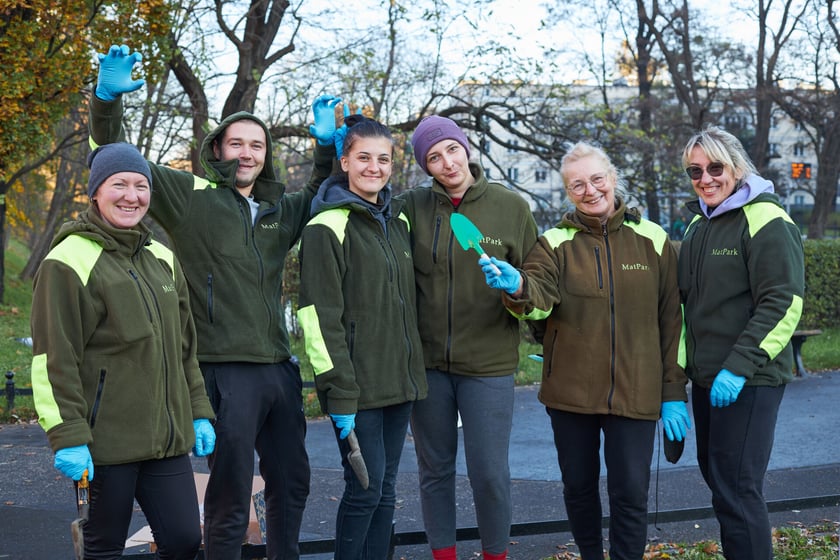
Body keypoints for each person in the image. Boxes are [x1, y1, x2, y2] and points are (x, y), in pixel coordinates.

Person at [88, 45, 337, 559]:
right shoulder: (191, 196)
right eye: (237, 144)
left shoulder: (277, 212)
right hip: (224, 370)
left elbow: (317, 190)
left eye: (258, 146)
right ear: (218, 149)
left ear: (266, 155)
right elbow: (116, 161)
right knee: (229, 495)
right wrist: (107, 101)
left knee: (292, 484)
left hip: (278, 369)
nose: (247, 153)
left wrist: (324, 149)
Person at [481, 141, 690, 560]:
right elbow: (539, 294)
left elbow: (673, 321)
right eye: (578, 185)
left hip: (637, 389)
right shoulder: (554, 242)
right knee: (578, 487)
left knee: (630, 490)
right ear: (567, 192)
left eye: (597, 179)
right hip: (571, 394)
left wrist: (672, 393)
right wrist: (518, 286)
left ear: (612, 179)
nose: (590, 190)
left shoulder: (653, 240)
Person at [30, 142, 216, 560]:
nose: (131, 196)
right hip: (104, 445)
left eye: (141, 185)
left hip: (167, 441)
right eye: (119, 184)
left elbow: (185, 348)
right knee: (103, 549)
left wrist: (199, 409)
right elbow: (52, 358)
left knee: (185, 540)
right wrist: (68, 436)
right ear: (95, 191)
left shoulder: (162, 257)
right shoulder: (68, 260)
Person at [400, 115, 539, 560]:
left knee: (489, 473)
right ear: (426, 166)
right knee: (434, 471)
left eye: (452, 150)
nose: (446, 162)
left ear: (466, 148)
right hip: (428, 366)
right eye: (433, 157)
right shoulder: (410, 208)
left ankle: (495, 554)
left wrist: (516, 286)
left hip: (488, 365)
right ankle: (444, 555)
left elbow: (537, 284)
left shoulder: (510, 207)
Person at [296, 114, 427, 559]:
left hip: (399, 384)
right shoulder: (325, 227)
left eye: (384, 159)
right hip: (358, 390)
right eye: (364, 157)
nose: (375, 167)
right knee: (364, 490)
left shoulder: (396, 223)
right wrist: (339, 392)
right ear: (345, 161)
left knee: (386, 490)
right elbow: (317, 320)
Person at [678, 126, 804, 560]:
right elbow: (685, 307)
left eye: (715, 167)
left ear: (736, 167)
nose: (706, 178)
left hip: (749, 379)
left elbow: (784, 303)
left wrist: (738, 366)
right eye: (696, 171)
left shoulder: (766, 219)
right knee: (721, 485)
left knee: (737, 487)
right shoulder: (698, 224)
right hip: (708, 379)